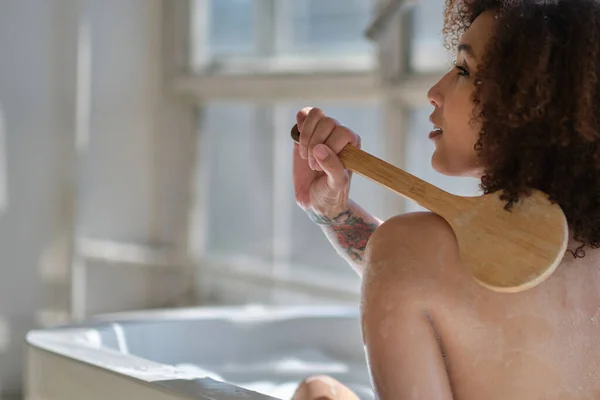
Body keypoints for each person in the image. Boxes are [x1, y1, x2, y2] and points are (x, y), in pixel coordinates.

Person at [290, 0, 600, 399]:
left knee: (318, 392)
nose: (434, 92)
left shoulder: (407, 248)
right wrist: (333, 213)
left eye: (464, 71)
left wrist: (333, 217)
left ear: (535, 102)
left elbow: (410, 267)